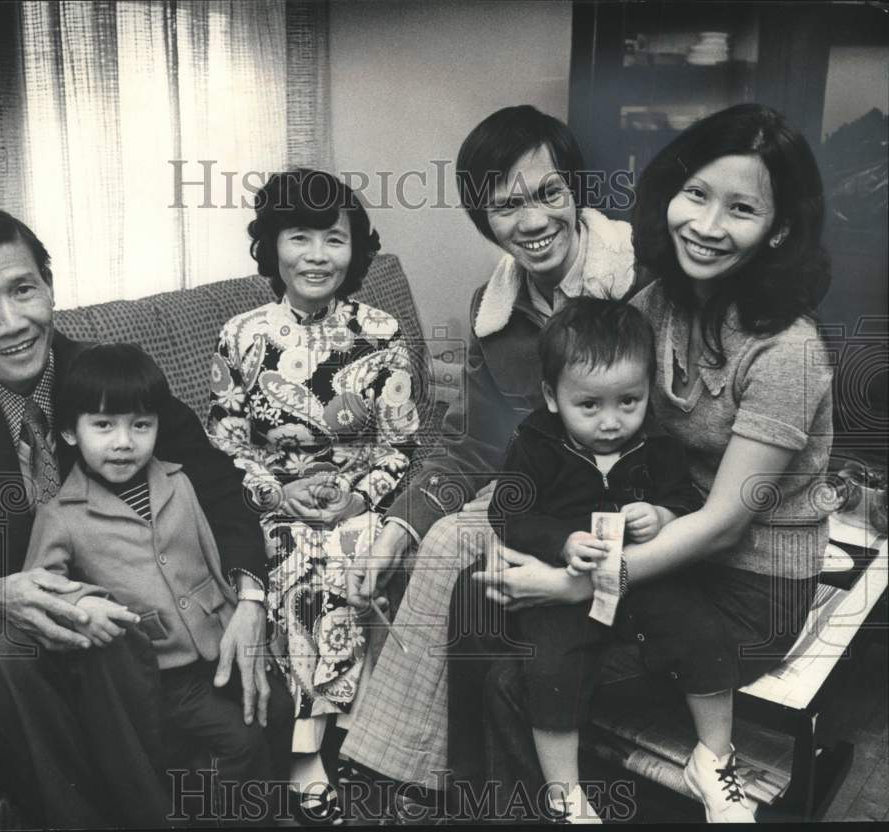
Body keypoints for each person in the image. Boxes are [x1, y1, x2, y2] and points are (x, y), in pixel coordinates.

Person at [473, 103, 833, 824]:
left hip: (748, 588)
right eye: (696, 194)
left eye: (741, 209)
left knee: (514, 678)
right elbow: (586, 428)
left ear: (779, 229)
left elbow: (725, 522)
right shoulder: (654, 305)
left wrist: (577, 585)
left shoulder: (788, 350)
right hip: (662, 556)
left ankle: (656, 779)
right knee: (484, 616)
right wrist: (539, 539)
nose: (707, 225)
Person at [0, 209, 271, 828]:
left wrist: (251, 598)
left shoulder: (113, 374)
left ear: (49, 285)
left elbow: (218, 487)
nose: (12, 323)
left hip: (116, 602)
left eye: (23, 289)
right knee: (0, 656)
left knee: (111, 631)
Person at [339, 105, 638, 797]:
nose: (532, 221)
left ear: (576, 189)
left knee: (459, 555)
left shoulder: (639, 284)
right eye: (506, 206)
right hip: (533, 498)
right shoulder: (492, 308)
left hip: (625, 502)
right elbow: (474, 443)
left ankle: (401, 777)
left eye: (548, 193)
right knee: (433, 545)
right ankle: (421, 776)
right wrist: (398, 524)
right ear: (484, 219)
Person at [462, 296, 738, 822]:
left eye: (629, 401)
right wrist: (563, 540)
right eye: (589, 406)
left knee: (702, 629)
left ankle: (715, 758)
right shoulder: (535, 442)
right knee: (551, 669)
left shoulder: (657, 442)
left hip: (644, 576)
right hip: (562, 583)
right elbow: (509, 514)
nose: (611, 422)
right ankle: (566, 795)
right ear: (552, 396)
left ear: (647, 390)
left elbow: (686, 501)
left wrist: (662, 514)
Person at [206, 169, 419, 822]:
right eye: (300, 237)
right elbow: (224, 446)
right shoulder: (240, 335)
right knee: (301, 556)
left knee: (358, 552)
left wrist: (358, 496)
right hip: (274, 508)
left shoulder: (382, 334)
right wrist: (279, 493)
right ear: (272, 246)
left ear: (355, 248)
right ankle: (309, 755)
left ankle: (361, 741)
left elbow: (402, 445)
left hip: (359, 501)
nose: (318, 256)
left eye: (334, 239)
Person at [22, 343, 293, 823]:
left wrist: (245, 616)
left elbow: (212, 558)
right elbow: (43, 589)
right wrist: (87, 602)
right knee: (239, 740)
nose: (124, 442)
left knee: (279, 706)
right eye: (103, 426)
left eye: (140, 425)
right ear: (68, 432)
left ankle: (262, 813)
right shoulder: (60, 515)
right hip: (162, 672)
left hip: (218, 645)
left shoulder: (179, 481)